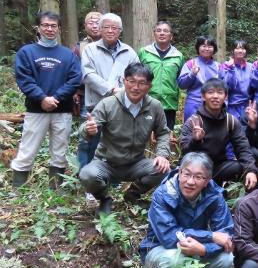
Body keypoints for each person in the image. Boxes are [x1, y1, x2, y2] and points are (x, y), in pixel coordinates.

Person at [139, 152, 234, 268]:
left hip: (196, 249)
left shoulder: (215, 196)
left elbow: (226, 235)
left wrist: (204, 249)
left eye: (198, 177)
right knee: (174, 259)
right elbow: (169, 238)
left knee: (227, 258)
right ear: (179, 172)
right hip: (160, 249)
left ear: (207, 181)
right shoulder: (163, 194)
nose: (190, 182)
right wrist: (210, 236)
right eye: (186, 174)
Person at [79, 63, 171, 213]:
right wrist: (88, 130)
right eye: (131, 81)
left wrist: (162, 155)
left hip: (136, 163)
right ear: (124, 81)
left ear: (149, 86)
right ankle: (104, 198)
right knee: (87, 175)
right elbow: (87, 127)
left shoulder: (154, 106)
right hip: (106, 162)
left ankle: (133, 194)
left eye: (142, 83)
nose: (136, 87)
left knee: (164, 170)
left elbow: (163, 133)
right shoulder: (108, 104)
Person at [10, 11, 81, 189]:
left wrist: (56, 98)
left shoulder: (68, 54)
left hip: (62, 110)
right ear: (38, 28)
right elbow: (24, 78)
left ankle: (55, 189)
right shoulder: (26, 52)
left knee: (60, 151)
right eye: (45, 25)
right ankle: (19, 189)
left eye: (53, 26)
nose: (49, 29)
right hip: (36, 110)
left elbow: (75, 79)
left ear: (59, 29)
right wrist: (41, 98)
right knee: (27, 149)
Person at [79, 13, 139, 173]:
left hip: (121, 105)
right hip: (96, 104)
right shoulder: (90, 49)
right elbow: (88, 75)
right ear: (100, 29)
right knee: (90, 141)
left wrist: (125, 91)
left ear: (120, 30)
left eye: (114, 28)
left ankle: (114, 177)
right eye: (106, 27)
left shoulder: (129, 51)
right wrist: (111, 89)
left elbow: (137, 75)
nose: (110, 31)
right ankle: (86, 176)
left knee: (116, 142)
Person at [180, 78, 258, 190]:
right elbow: (184, 152)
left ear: (225, 97)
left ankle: (230, 194)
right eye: (211, 92)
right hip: (194, 169)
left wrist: (251, 170)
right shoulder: (194, 121)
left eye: (220, 92)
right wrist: (195, 140)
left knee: (243, 166)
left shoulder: (230, 121)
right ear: (203, 96)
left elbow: (243, 148)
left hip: (218, 168)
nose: (215, 96)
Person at [137, 21, 185, 130]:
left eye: (165, 31)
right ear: (154, 34)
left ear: (171, 36)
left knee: (166, 135)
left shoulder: (178, 56)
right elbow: (136, 74)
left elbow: (181, 80)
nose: (162, 33)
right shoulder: (144, 52)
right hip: (146, 101)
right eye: (158, 30)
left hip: (169, 103)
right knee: (145, 135)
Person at [178, 36, 223, 122]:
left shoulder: (218, 66)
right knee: (192, 129)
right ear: (198, 47)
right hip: (193, 104)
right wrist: (192, 74)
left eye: (210, 46)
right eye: (203, 46)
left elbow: (224, 87)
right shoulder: (191, 64)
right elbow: (181, 85)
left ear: (214, 49)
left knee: (212, 129)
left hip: (213, 105)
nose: (207, 49)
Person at [71, 10, 102, 120]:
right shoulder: (79, 47)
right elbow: (73, 71)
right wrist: (75, 92)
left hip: (110, 93)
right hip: (86, 94)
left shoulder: (113, 46)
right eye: (91, 23)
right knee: (87, 125)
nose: (94, 26)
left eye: (98, 23)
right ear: (85, 26)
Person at [222, 39, 255, 120]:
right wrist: (231, 69)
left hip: (247, 105)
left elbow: (255, 86)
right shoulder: (225, 66)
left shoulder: (251, 67)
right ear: (232, 51)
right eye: (237, 48)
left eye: (243, 48)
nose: (240, 51)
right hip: (231, 106)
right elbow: (225, 86)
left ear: (246, 51)